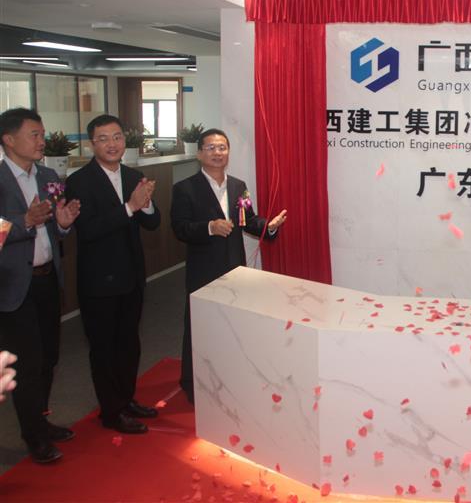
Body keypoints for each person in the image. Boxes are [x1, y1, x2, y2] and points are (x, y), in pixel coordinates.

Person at [171, 129, 286, 403]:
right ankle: (192, 383)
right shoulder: (185, 188)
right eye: (211, 148)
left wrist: (268, 226)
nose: (217, 153)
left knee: (232, 326)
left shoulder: (238, 186)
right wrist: (209, 227)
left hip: (235, 268)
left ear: (228, 152)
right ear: (200, 153)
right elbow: (180, 228)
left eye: (222, 147)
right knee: (199, 327)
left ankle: (229, 377)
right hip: (203, 269)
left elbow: (248, 219)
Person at [65, 114, 161, 434]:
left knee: (129, 344)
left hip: (132, 276)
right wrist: (130, 207)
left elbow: (153, 223)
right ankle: (111, 412)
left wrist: (146, 204)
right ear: (92, 144)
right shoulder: (79, 181)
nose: (112, 144)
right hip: (98, 281)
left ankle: (126, 399)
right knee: (104, 349)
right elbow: (88, 230)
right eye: (103, 138)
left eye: (117, 137)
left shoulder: (134, 175)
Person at [0, 108, 81, 463]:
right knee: (28, 364)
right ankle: (33, 435)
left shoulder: (48, 175)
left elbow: (54, 229)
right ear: (9, 139)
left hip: (48, 279)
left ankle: (41, 420)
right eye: (34, 134)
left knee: (49, 358)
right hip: (14, 288)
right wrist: (24, 221)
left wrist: (62, 223)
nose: (42, 141)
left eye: (42, 134)